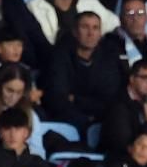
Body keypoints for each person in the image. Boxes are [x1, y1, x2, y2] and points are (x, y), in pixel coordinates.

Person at [43, 11, 123, 139]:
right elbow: (57, 98)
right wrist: (86, 115)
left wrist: (76, 99)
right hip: (68, 119)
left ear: (100, 34)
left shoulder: (109, 60)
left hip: (101, 119)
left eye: (95, 28)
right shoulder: (59, 57)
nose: (90, 33)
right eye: (85, 27)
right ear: (75, 32)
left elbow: (109, 98)